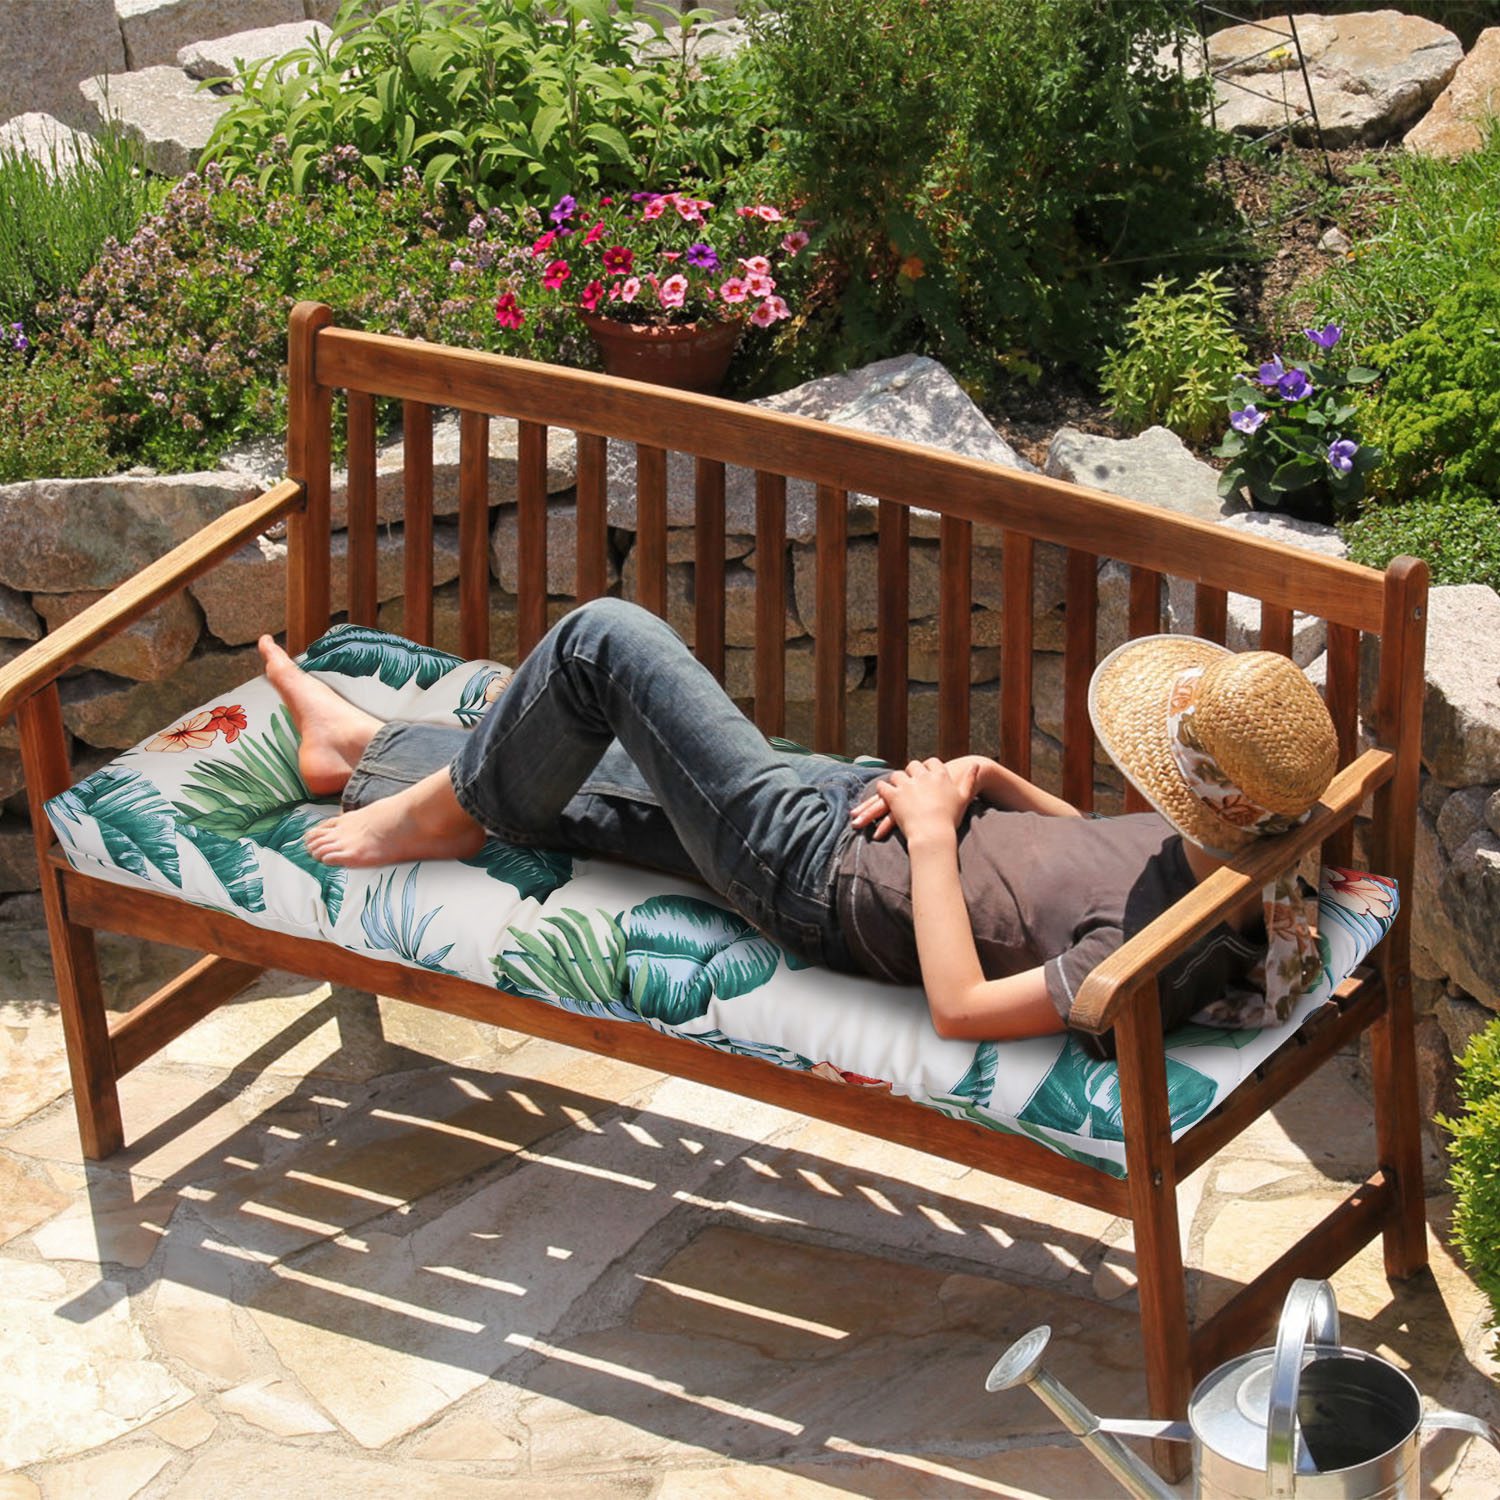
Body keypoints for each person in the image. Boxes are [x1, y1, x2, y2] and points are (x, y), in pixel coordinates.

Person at [258, 597, 1337, 1050]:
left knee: (601, 642)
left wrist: (929, 832)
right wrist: (985, 777)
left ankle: (440, 810)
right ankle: (358, 751)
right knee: (605, 782)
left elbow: (961, 1009)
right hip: (861, 810)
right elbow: (1086, 846)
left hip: (812, 871)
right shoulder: (1229, 858)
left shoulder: (1152, 958)